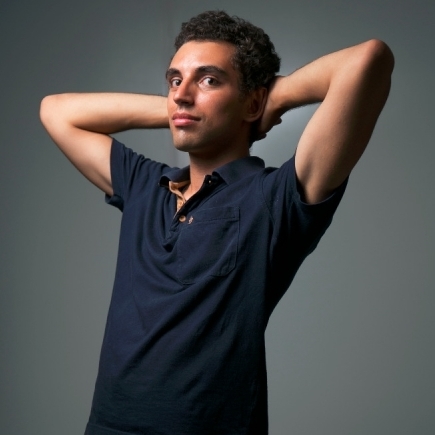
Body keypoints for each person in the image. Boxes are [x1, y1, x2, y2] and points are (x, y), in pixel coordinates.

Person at [40, 10, 394, 435]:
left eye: (208, 80)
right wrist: (183, 110)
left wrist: (273, 99)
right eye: (175, 81)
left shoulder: (274, 199)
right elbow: (56, 111)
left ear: (252, 101)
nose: (182, 94)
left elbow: (367, 60)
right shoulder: (144, 186)